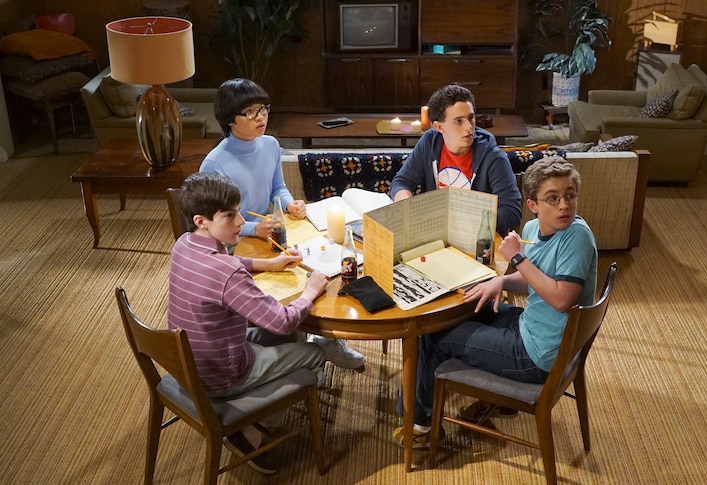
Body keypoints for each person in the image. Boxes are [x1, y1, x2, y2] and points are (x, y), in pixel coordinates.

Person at [392, 156, 598, 449]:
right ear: (533, 206)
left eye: (569, 196)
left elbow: (562, 298)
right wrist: (501, 281)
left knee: (431, 334)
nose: (564, 205)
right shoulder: (531, 231)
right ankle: (500, 401)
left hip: (539, 355)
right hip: (534, 327)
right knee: (465, 310)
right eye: (553, 198)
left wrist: (516, 259)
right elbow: (534, 281)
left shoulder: (576, 237)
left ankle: (421, 427)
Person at [167, 172, 328, 474]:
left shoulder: (183, 244)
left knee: (286, 338)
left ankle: (253, 413)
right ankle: (247, 425)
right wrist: (310, 292)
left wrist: (268, 263)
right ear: (202, 221)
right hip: (221, 374)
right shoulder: (226, 273)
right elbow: (282, 321)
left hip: (189, 362)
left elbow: (230, 264)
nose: (241, 221)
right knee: (314, 353)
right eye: (230, 215)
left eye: (238, 211)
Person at [200, 78, 365, 370]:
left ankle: (325, 340)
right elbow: (216, 225)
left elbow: (278, 187)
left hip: (273, 231)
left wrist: (289, 203)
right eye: (250, 112)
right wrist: (253, 229)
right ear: (229, 119)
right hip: (238, 243)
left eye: (263, 109)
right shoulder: (215, 163)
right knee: (295, 282)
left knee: (326, 264)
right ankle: (308, 351)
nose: (260, 117)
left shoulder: (270, 145)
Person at [389, 84, 522, 236]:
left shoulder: (493, 157)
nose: (469, 127)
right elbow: (401, 181)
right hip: (436, 235)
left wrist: (464, 220)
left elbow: (512, 212)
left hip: (476, 240)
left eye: (471, 118)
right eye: (459, 121)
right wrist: (406, 205)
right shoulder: (429, 143)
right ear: (439, 127)